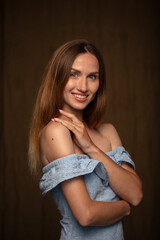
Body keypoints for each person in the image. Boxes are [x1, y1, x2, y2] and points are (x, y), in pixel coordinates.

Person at [28, 39, 143, 240]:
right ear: (58, 77)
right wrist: (124, 208)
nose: (83, 86)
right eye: (74, 74)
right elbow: (86, 214)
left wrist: (90, 147)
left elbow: (135, 194)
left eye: (92, 77)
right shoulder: (56, 132)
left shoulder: (108, 132)